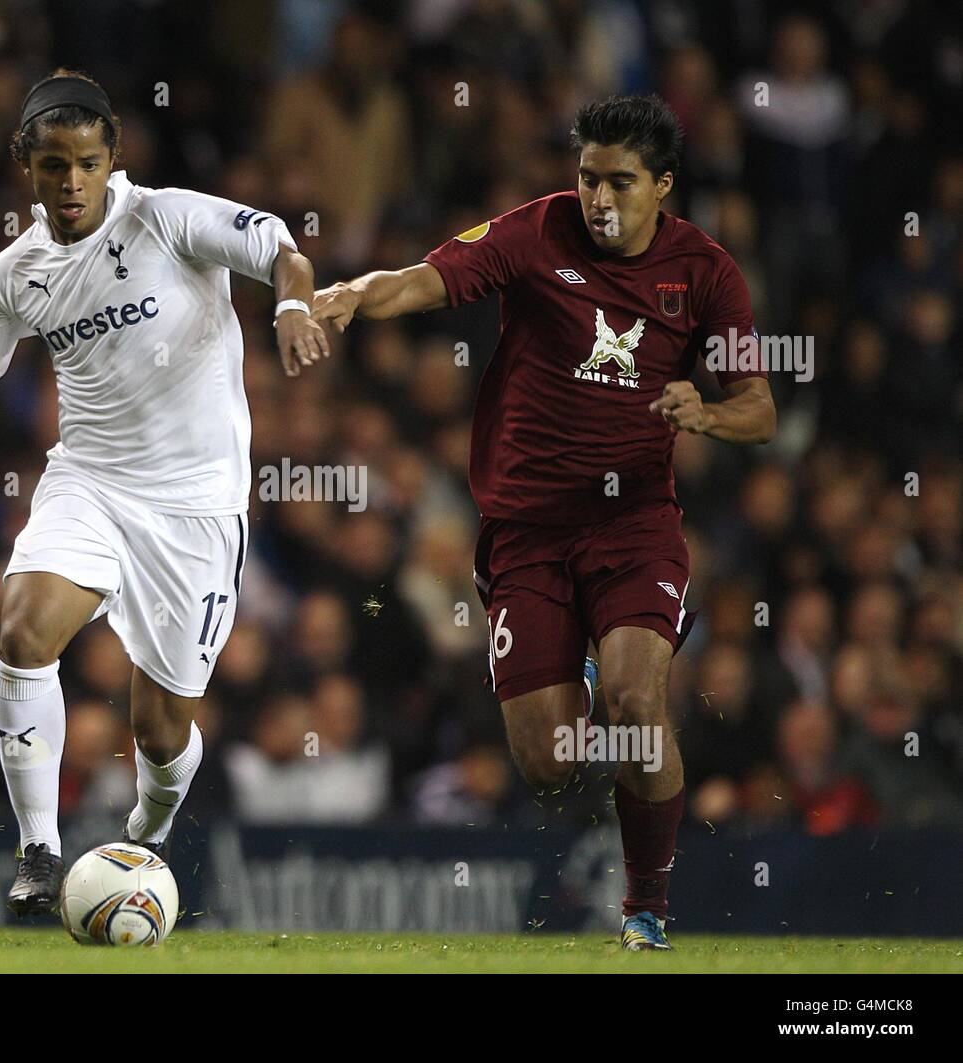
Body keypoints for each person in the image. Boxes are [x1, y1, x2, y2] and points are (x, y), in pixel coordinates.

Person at [313, 94, 775, 950]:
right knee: (551, 762)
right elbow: (425, 278)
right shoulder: (534, 232)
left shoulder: (707, 272)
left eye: (621, 183)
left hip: (635, 522)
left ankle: (646, 908)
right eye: (588, 177)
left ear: (663, 185)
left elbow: (760, 405)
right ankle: (582, 674)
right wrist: (352, 294)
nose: (599, 199)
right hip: (526, 531)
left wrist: (707, 415)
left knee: (640, 702)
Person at [0, 69, 328, 915]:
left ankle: (148, 827)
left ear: (113, 156)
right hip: (92, 481)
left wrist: (292, 307)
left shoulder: (169, 217)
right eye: (52, 166)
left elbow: (282, 253)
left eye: (85, 162)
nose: (70, 181)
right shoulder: (16, 272)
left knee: (161, 724)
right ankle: (39, 849)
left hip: (195, 505)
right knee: (24, 627)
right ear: (26, 167)